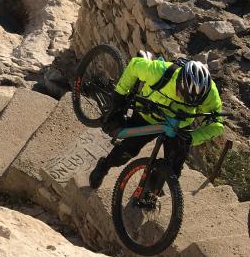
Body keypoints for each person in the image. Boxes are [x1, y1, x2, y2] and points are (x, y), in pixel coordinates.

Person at [88, 55, 223, 189]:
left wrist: (192, 138)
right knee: (129, 149)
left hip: (178, 124)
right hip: (148, 115)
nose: (183, 99)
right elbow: (134, 65)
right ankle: (104, 166)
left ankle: (152, 190)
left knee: (173, 169)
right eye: (182, 94)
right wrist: (119, 96)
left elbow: (217, 125)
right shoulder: (160, 71)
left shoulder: (210, 93)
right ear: (178, 81)